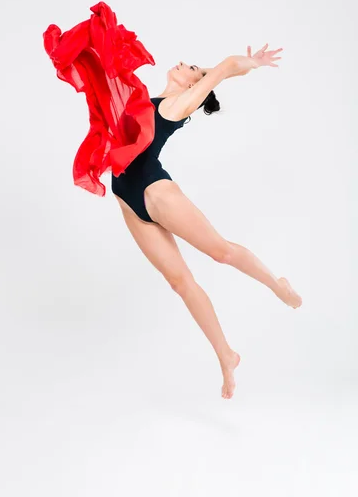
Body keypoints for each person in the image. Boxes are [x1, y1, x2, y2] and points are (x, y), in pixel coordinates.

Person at [111, 44, 303, 400]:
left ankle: (277, 286)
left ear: (193, 87)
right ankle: (226, 356)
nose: (184, 63)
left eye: (192, 68)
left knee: (221, 253)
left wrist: (253, 63)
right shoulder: (151, 100)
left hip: (157, 194)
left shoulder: (178, 104)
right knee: (181, 284)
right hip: (127, 200)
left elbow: (228, 65)